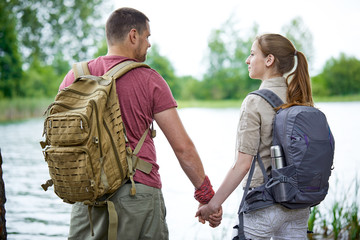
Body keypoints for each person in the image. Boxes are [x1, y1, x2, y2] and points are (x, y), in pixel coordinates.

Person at [59, 7, 221, 240]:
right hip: (136, 193)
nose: (149, 44)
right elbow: (183, 147)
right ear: (133, 35)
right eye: (147, 36)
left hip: (87, 194)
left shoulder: (74, 76)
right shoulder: (149, 79)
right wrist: (206, 195)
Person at [196, 33, 313, 239]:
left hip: (263, 205)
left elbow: (242, 164)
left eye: (252, 54)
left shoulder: (255, 102)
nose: (247, 60)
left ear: (269, 60)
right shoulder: (300, 98)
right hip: (298, 206)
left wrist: (213, 205)